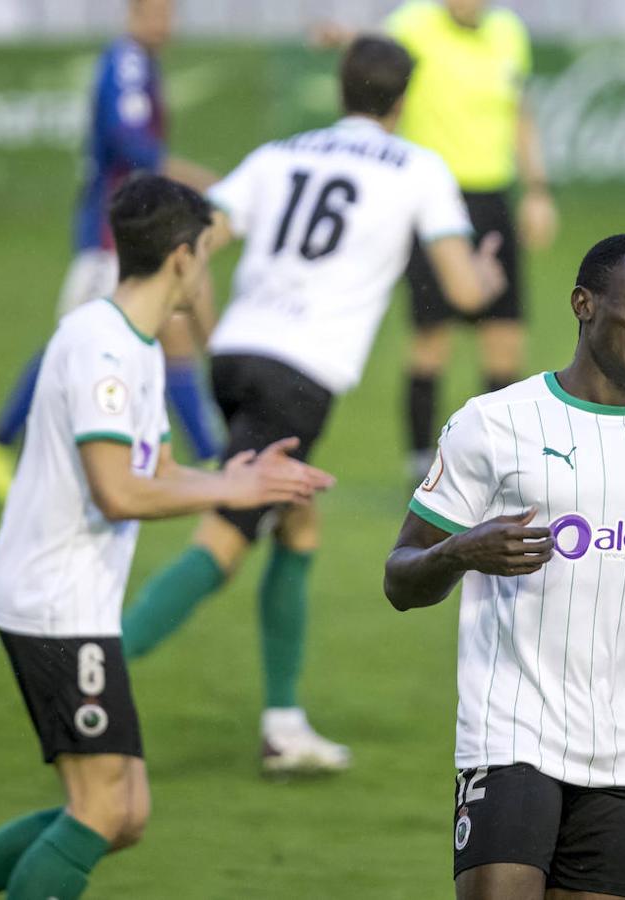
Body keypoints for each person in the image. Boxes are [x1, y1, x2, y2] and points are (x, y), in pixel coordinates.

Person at [0, 175, 334, 900]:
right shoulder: (102, 349)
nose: (208, 278)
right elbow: (117, 489)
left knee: (126, 814)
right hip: (55, 604)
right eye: (207, 256)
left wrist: (230, 477)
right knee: (103, 807)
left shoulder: (137, 345)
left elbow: (159, 470)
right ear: (181, 257)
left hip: (76, 603)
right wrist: (226, 491)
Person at [119, 35, 505, 774]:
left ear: (342, 90)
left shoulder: (279, 153)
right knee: (225, 541)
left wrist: (204, 327)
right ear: (401, 100)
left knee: (297, 527)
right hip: (299, 377)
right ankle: (95, 669)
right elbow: (460, 292)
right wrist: (486, 277)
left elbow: (197, 236)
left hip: (236, 354)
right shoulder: (420, 167)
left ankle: (284, 724)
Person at [384, 234, 625, 900]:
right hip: (510, 736)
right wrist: (459, 551)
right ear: (584, 304)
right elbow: (400, 577)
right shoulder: (495, 423)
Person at [0, 0, 220, 504]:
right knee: (74, 343)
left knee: (173, 331)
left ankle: (213, 455)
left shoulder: (140, 64)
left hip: (126, 230)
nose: (166, 24)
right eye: (157, 13)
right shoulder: (126, 63)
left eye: (171, 13)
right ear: (135, 14)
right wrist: (202, 182)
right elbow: (133, 146)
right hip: (113, 236)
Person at [316, 0, 559, 480]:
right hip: (433, 200)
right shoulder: (413, 23)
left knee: (504, 341)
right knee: (431, 339)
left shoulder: (509, 32)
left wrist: (536, 190)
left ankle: (495, 464)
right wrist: (340, 34)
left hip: (492, 198)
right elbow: (370, 49)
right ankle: (419, 463)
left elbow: (520, 113)